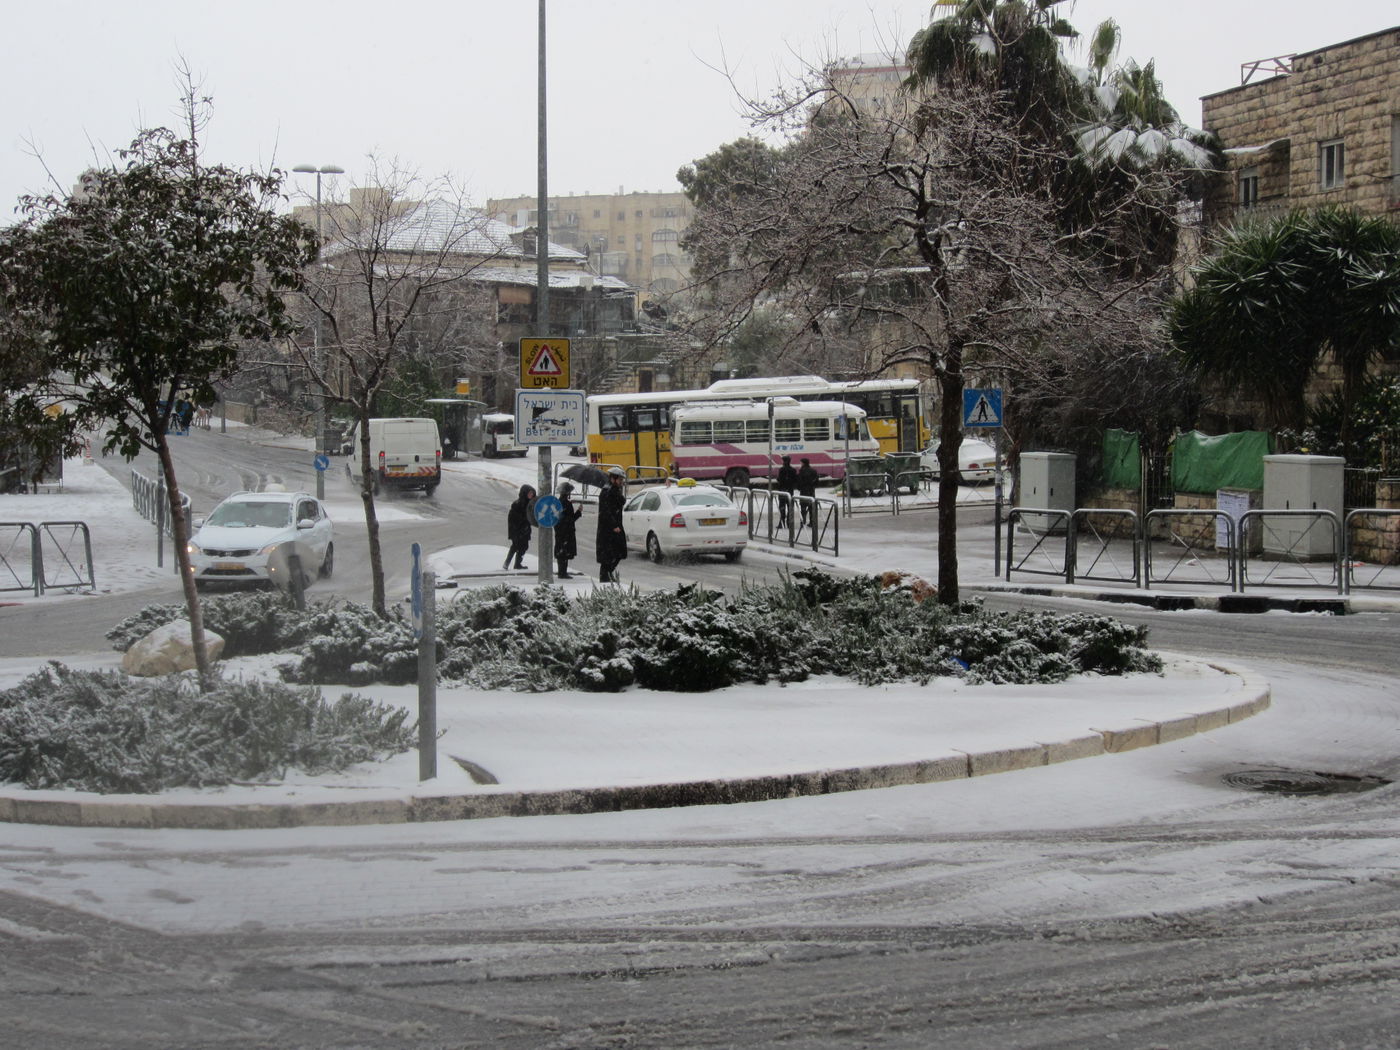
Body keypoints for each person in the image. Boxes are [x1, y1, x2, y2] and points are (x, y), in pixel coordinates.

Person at [595, 466, 628, 583]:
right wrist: (614, 525)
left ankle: (608, 574)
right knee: (609, 555)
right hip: (609, 530)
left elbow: (621, 502)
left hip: (615, 527)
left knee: (618, 552)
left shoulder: (614, 490)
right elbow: (606, 512)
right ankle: (605, 577)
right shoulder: (607, 492)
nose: (621, 482)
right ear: (613, 479)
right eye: (620, 480)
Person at [503, 484, 536, 570]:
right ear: (524, 493)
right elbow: (514, 519)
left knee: (522, 547)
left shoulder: (529, 504)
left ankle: (516, 564)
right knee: (516, 546)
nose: (531, 495)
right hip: (518, 530)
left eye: (532, 493)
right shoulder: (518, 504)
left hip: (524, 530)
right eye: (529, 493)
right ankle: (509, 563)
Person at [554, 481, 583, 578]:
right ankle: (563, 573)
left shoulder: (558, 502)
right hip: (567, 532)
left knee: (561, 552)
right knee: (565, 553)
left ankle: (561, 572)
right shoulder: (566, 503)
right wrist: (578, 512)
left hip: (559, 531)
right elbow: (571, 519)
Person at [775, 455, 798, 529]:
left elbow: (779, 479)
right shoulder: (793, 470)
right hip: (790, 490)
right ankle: (789, 522)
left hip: (782, 490)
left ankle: (782, 522)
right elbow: (795, 480)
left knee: (782, 507)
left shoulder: (781, 469)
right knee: (790, 507)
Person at [797, 457, 819, 528]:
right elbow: (816, 481)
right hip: (811, 490)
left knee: (803, 507)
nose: (800, 464)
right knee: (811, 507)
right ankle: (812, 522)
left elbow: (799, 481)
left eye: (800, 462)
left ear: (803, 463)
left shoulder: (801, 471)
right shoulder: (813, 471)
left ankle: (803, 522)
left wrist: (799, 488)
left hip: (803, 491)